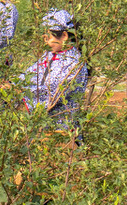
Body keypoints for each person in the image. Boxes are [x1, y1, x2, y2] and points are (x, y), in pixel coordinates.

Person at [19, 9, 89, 137]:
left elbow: (52, 90)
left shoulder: (74, 64)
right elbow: (29, 74)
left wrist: (20, 90)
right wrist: (14, 83)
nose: (46, 42)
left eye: (48, 38)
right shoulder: (49, 56)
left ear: (64, 36)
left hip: (62, 130)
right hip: (43, 129)